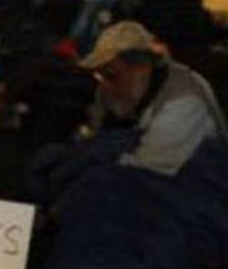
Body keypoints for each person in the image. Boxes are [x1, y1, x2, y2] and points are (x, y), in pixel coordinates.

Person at [78, 21, 228, 175]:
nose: (106, 87)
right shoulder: (135, 93)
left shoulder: (183, 99)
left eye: (111, 76)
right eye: (100, 76)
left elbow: (148, 168)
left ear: (141, 68)